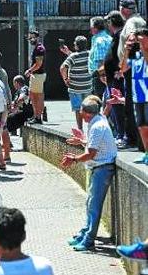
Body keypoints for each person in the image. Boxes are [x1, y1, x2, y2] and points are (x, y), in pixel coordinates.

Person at [62, 95, 117, 251]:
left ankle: (89, 240)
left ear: (86, 113)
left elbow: (91, 154)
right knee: (90, 203)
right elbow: (93, 144)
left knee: (94, 206)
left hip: (102, 168)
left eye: (81, 111)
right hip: (97, 167)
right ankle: (85, 232)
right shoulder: (97, 120)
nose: (80, 113)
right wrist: (81, 141)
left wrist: (73, 158)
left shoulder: (97, 126)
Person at [117, 0, 146, 150]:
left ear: (124, 9)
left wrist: (125, 63)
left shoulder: (131, 23)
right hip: (137, 67)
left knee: (130, 104)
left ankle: (131, 139)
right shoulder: (139, 20)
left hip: (133, 68)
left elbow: (132, 39)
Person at [122, 27, 148, 163]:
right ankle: (146, 152)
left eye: (138, 39)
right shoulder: (135, 55)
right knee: (142, 125)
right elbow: (123, 68)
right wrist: (127, 50)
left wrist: (143, 47)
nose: (135, 42)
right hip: (137, 96)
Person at [103, 11, 127, 145]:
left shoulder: (120, 36)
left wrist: (120, 70)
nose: (107, 24)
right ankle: (119, 133)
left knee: (118, 106)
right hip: (112, 77)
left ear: (112, 22)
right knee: (114, 105)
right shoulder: (116, 36)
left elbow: (123, 54)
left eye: (108, 21)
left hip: (117, 77)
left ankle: (121, 135)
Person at [60, 36, 91, 130]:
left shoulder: (73, 57)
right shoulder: (90, 54)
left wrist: (65, 79)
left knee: (77, 108)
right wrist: (68, 52)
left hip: (75, 87)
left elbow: (63, 68)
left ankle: (80, 129)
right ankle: (90, 127)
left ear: (77, 46)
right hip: (87, 86)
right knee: (89, 107)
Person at [2, 76, 33, 160]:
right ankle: (7, 143)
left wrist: (15, 106)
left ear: (16, 83)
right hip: (20, 114)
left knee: (5, 122)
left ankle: (7, 144)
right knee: (4, 119)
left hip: (25, 114)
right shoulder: (18, 91)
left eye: (14, 83)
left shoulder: (24, 89)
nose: (13, 85)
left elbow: (22, 98)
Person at [25, 30, 46, 124]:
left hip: (38, 75)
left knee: (36, 96)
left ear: (37, 37)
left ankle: (37, 117)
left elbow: (38, 64)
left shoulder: (39, 49)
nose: (30, 40)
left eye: (32, 38)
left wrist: (29, 71)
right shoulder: (37, 48)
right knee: (34, 95)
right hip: (37, 75)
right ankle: (37, 116)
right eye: (29, 38)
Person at [88, 16, 112, 98]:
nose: (90, 28)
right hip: (106, 73)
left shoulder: (99, 40)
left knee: (98, 101)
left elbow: (101, 60)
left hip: (99, 75)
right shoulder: (109, 38)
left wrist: (101, 76)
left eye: (91, 26)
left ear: (95, 28)